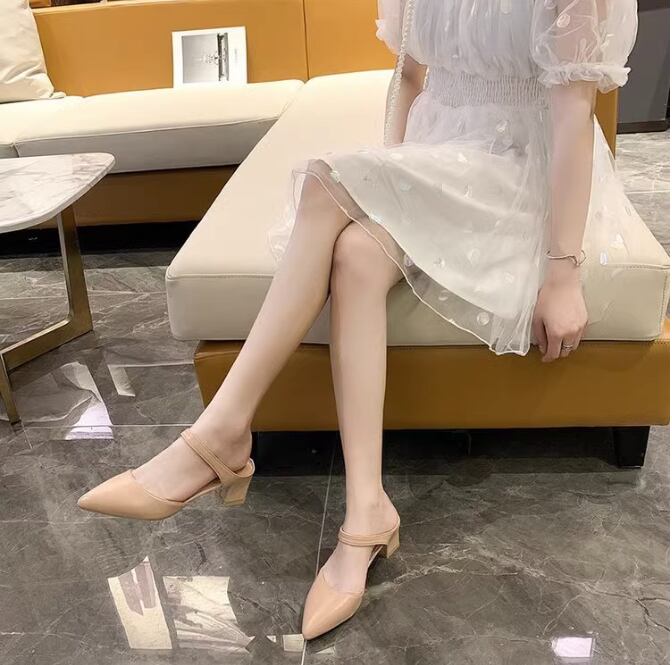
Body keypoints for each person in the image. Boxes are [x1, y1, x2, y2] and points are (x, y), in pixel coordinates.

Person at [77, 0, 639, 641]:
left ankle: (220, 436)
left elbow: (572, 116)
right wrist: (388, 185)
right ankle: (366, 512)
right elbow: (410, 79)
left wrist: (562, 273)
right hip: (441, 160)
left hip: (518, 172)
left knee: (324, 181)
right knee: (357, 254)